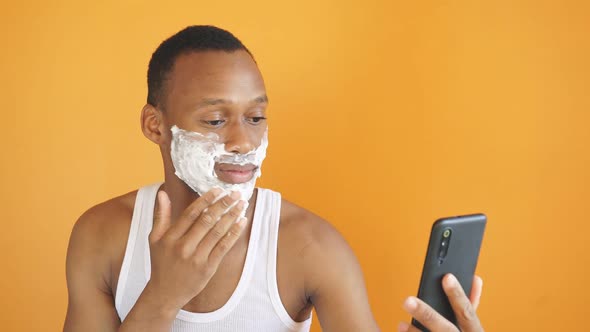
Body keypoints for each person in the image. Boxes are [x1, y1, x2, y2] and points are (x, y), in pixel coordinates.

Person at [64, 25, 484, 332]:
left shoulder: (310, 246)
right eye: (214, 120)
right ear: (155, 126)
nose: (243, 141)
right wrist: (162, 297)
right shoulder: (102, 235)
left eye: (256, 118)